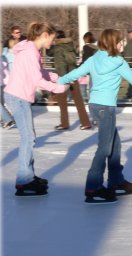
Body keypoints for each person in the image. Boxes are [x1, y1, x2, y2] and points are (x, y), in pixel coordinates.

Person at [57, 28, 132, 204]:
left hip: (94, 106)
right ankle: (93, 186)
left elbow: (75, 73)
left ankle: (116, 180)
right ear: (113, 43)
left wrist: (57, 81)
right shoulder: (119, 62)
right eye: (119, 42)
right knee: (104, 148)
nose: (121, 45)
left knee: (115, 145)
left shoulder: (94, 58)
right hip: (106, 109)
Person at [4, 22, 69, 196]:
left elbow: (38, 72)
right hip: (18, 97)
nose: (53, 42)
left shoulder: (31, 50)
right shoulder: (30, 52)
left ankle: (28, 176)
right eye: (53, 38)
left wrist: (56, 77)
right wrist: (58, 88)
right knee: (28, 138)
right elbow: (37, 80)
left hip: (19, 96)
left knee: (29, 137)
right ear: (45, 35)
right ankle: (24, 180)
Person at [52, 30, 92, 130]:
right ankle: (85, 122)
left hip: (64, 76)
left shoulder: (58, 48)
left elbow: (60, 64)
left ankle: (64, 123)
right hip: (73, 75)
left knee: (62, 101)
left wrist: (62, 79)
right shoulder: (70, 46)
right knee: (78, 100)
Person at [79, 31, 98, 100]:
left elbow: (85, 58)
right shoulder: (96, 47)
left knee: (82, 83)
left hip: (87, 68)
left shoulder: (86, 47)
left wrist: (80, 66)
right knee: (92, 85)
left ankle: (83, 98)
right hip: (95, 68)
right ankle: (92, 99)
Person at [1, 55, 16, 129]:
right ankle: (6, 119)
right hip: (2, 83)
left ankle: (8, 120)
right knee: (1, 103)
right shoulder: (2, 58)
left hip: (2, 82)